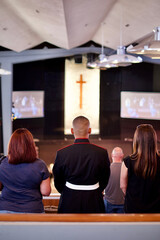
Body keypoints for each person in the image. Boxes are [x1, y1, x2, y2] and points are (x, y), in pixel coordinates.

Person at [53, 116, 110, 213]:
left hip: (69, 199)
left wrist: (67, 191)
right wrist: (96, 189)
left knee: (69, 228)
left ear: (72, 130)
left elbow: (58, 180)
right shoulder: (102, 152)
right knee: (94, 228)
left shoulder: (62, 153)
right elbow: (105, 178)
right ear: (90, 130)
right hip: (94, 199)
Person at [0, 128, 51, 213]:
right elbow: (45, 192)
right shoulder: (40, 165)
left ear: (11, 145)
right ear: (31, 145)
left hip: (5, 211)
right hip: (33, 211)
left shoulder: (2, 163)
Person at [120, 124, 160, 213]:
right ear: (153, 140)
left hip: (133, 209)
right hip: (156, 209)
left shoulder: (127, 161)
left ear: (137, 140)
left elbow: (123, 186)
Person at [104, 147, 124, 213]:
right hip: (123, 202)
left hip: (109, 202)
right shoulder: (127, 169)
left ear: (112, 155)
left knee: (108, 223)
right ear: (122, 156)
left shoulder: (106, 169)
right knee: (122, 223)